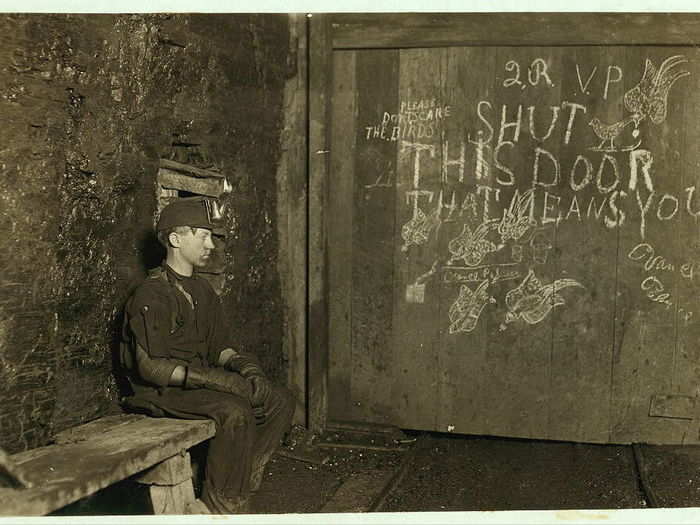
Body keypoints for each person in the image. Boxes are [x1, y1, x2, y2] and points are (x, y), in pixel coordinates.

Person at [120, 196, 295, 514]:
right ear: (175, 239)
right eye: (202, 235)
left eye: (211, 236)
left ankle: (239, 484)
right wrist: (211, 379)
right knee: (235, 411)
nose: (211, 244)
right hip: (160, 392)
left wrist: (247, 368)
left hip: (196, 386)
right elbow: (150, 368)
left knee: (279, 400)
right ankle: (219, 506)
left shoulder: (203, 291)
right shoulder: (151, 294)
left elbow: (219, 349)